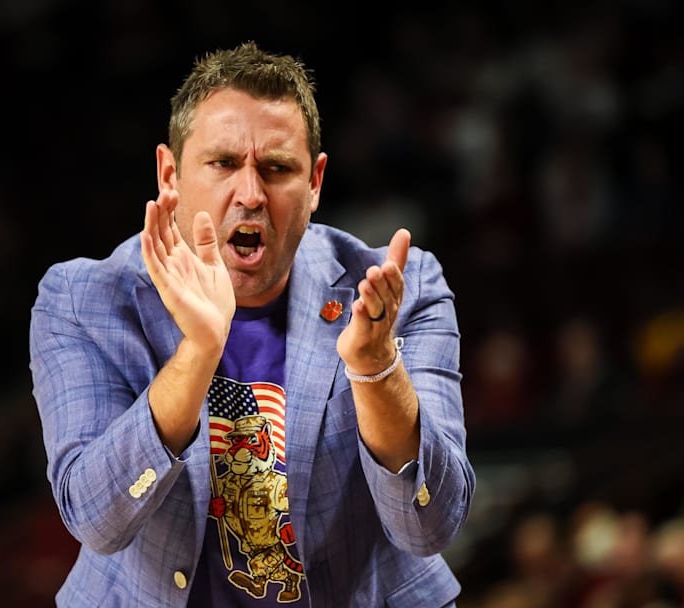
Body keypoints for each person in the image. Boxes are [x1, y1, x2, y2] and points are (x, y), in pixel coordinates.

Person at [29, 41, 474, 607]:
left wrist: (375, 368)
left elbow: (430, 527)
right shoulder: (82, 300)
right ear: (170, 174)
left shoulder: (397, 290)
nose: (250, 193)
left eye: (277, 168)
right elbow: (96, 519)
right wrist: (200, 350)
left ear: (314, 183)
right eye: (222, 163)